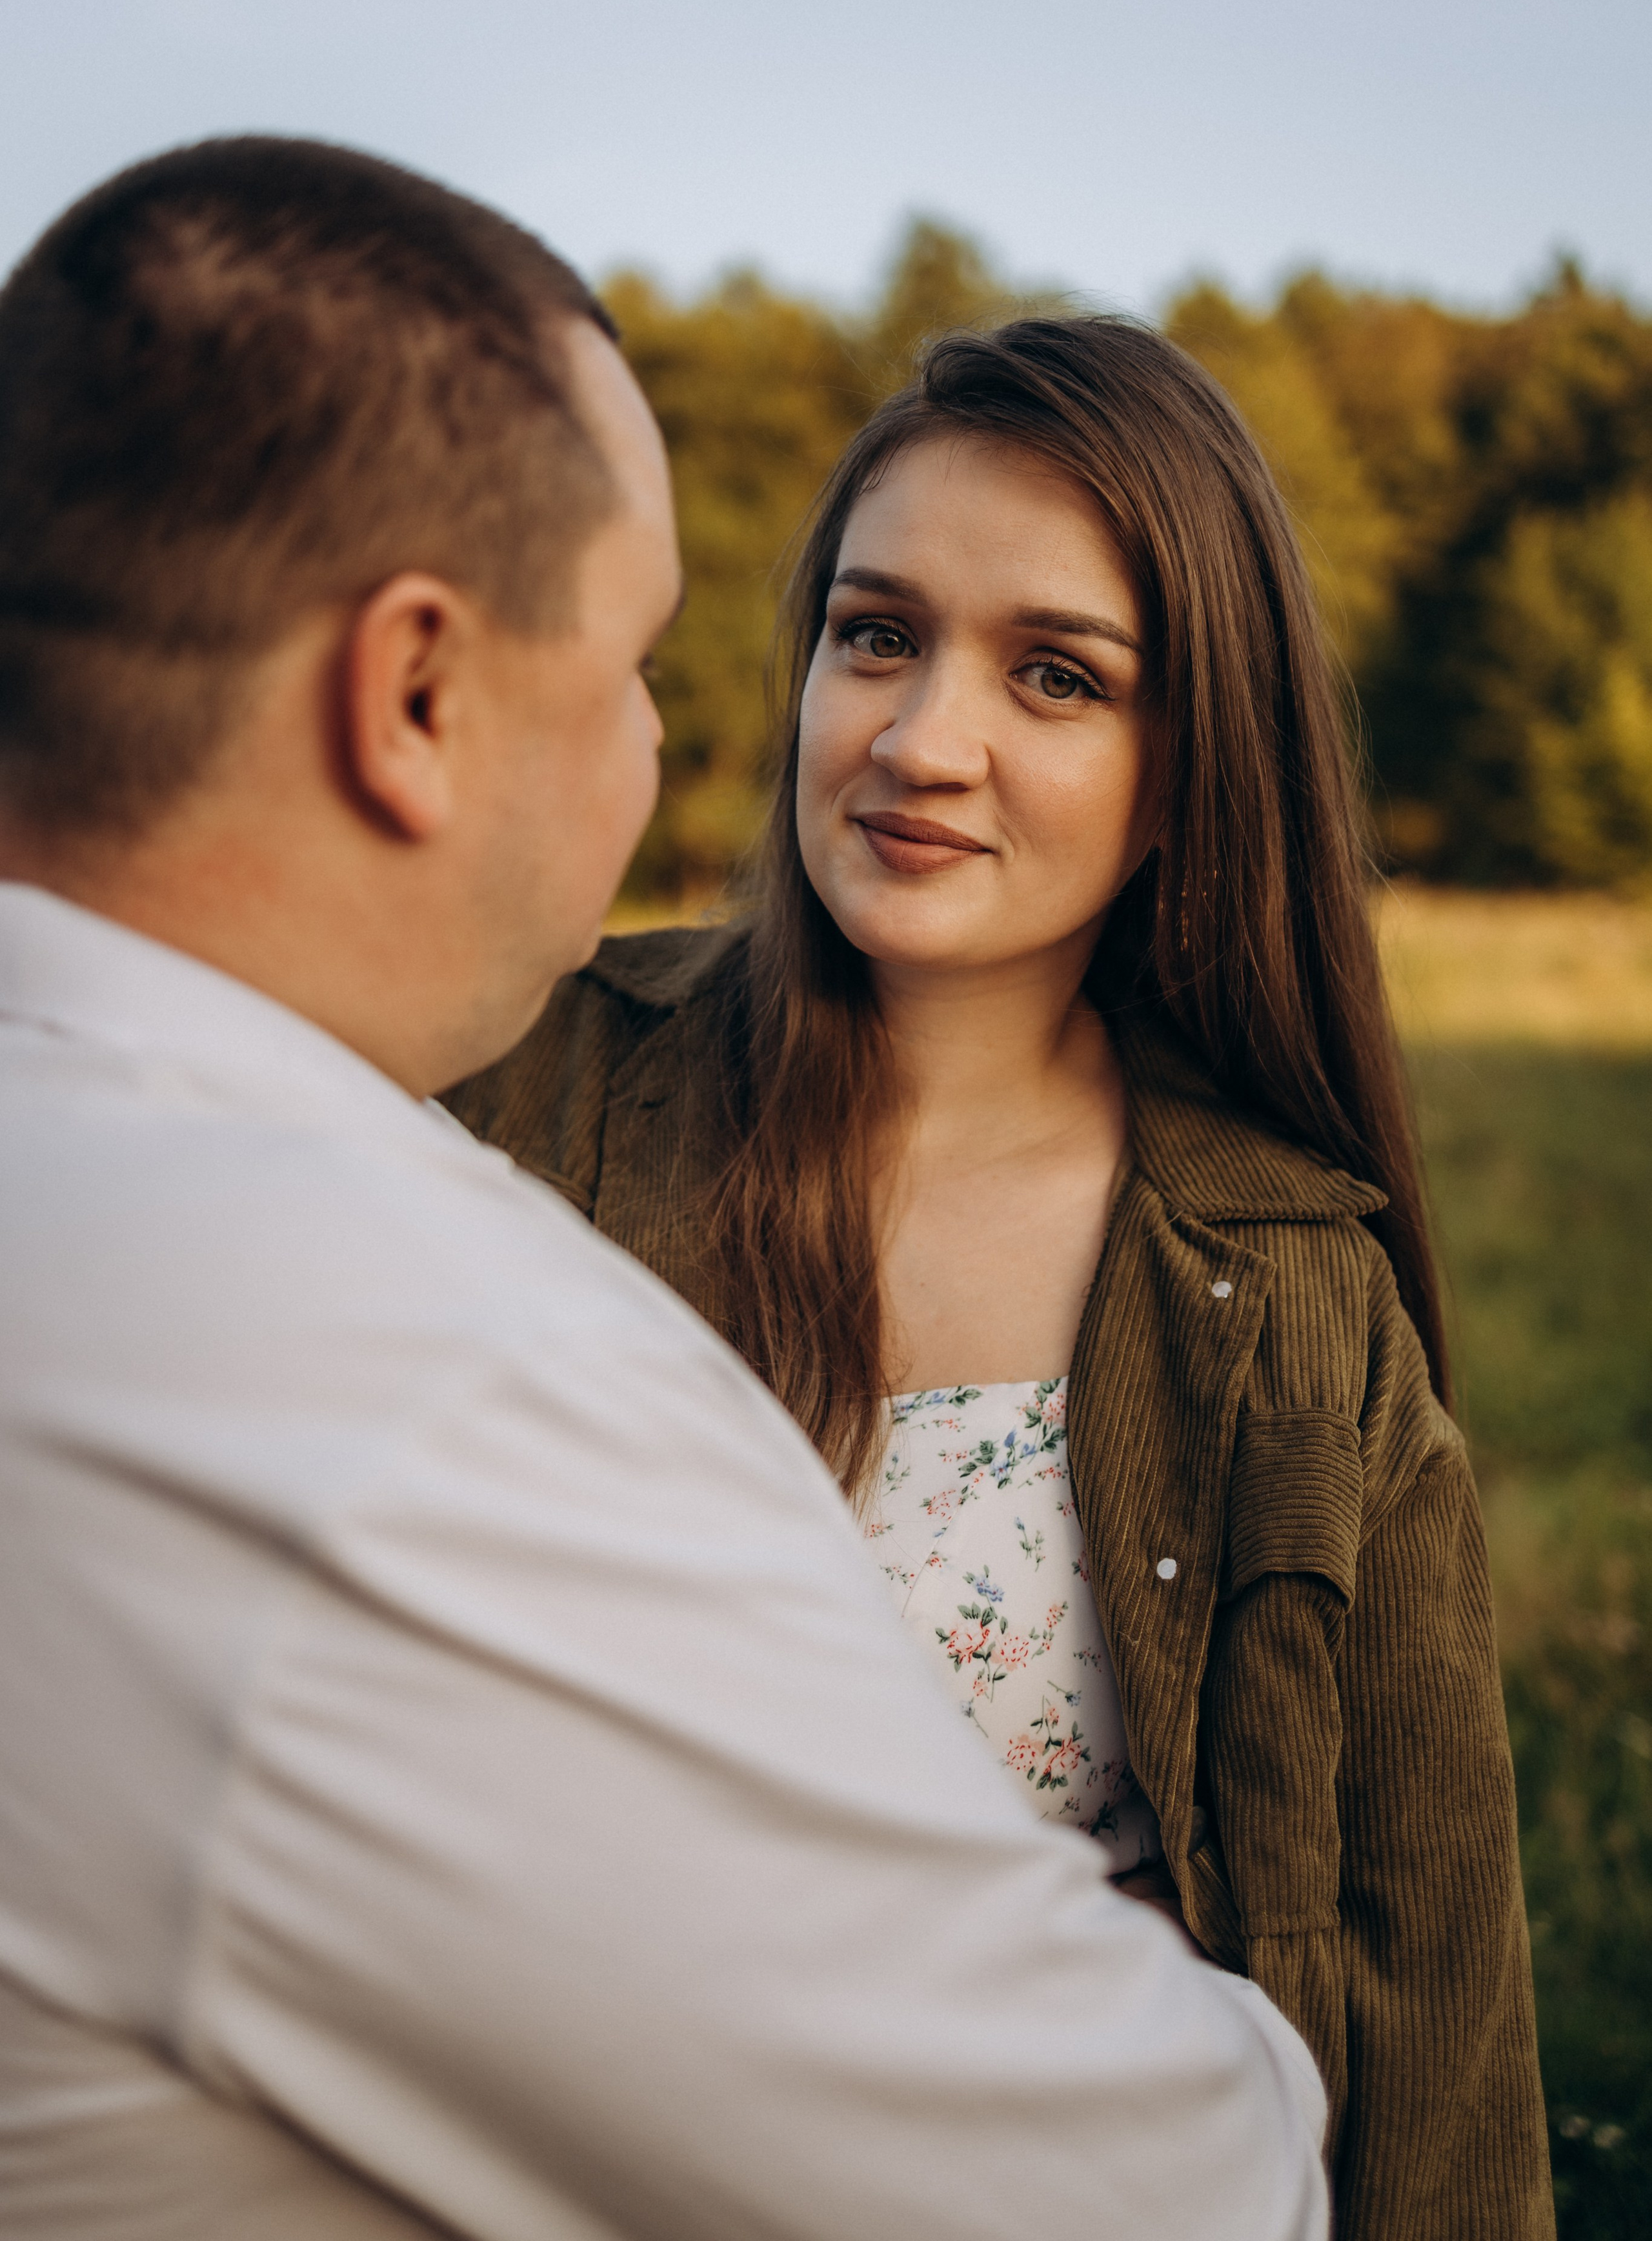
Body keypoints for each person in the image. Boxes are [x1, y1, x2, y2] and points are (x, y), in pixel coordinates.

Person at [0, 140, 1329, 2241]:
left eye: (1057, 672)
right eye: (636, 660)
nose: (657, 746)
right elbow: (1144, 2188)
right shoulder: (444, 1383)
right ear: (414, 696)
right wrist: (1194, 2009)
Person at [447, 316, 1553, 2240]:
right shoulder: (515, 1096)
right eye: (877, 633)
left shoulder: (1298, 1301)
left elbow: (1436, 2024)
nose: (920, 740)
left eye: (1056, 675)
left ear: (1187, 768)